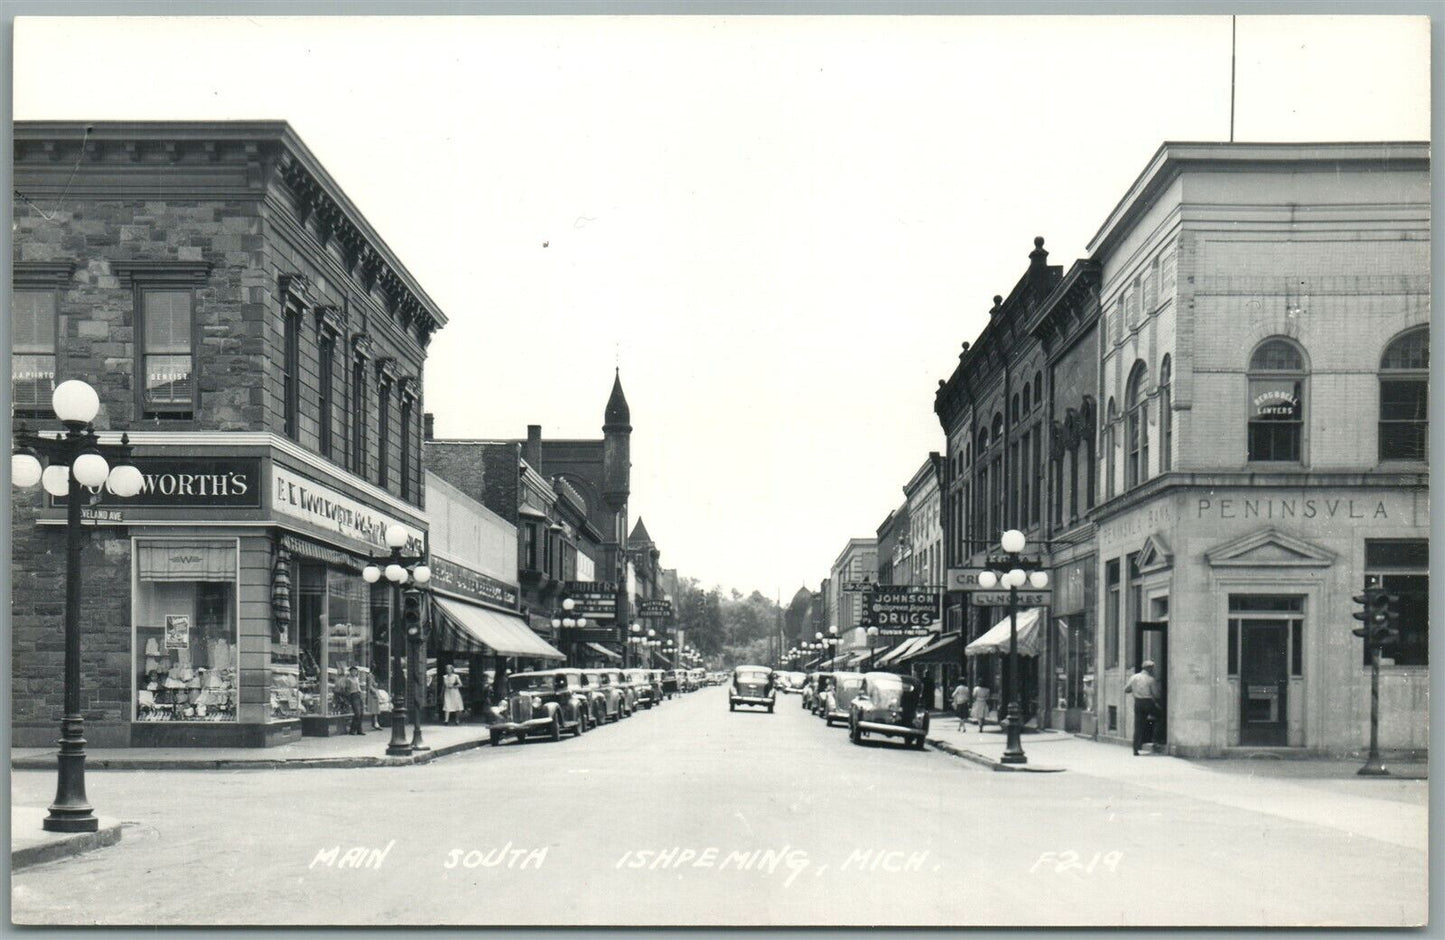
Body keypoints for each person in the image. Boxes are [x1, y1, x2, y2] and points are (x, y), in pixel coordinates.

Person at [1124, 660, 1163, 755]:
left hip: (1138, 702)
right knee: (1160, 717)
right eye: (1152, 668)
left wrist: (1135, 690)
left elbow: (1126, 689)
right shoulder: (1151, 679)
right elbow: (1156, 694)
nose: (1153, 670)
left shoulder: (1134, 677)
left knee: (1138, 725)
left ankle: (1135, 749)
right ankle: (1155, 740)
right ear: (1149, 669)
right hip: (1148, 702)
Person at [341, 667, 364, 735]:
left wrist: (361, 693)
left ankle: (359, 730)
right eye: (353, 671)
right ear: (350, 672)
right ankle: (352, 729)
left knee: (361, 713)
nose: (354, 672)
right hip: (353, 695)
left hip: (358, 695)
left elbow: (359, 687)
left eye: (355, 671)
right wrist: (349, 698)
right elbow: (347, 690)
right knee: (357, 713)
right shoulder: (348, 679)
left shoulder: (357, 678)